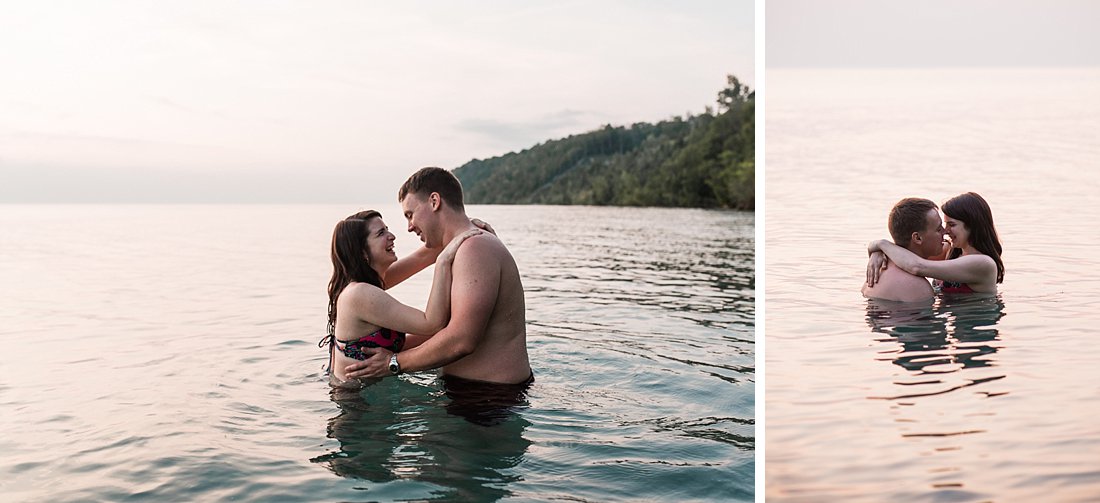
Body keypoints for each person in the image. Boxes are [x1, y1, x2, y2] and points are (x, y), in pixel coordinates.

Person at [344, 167, 533, 385]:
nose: (409, 227)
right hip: (474, 395)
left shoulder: (475, 248)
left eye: (410, 214)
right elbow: (375, 283)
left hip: (488, 401)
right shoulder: (463, 246)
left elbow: (462, 340)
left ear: (434, 201)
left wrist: (393, 362)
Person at [320, 209, 481, 387]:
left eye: (387, 229)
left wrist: (464, 227)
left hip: (368, 397)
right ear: (362, 253)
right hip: (357, 404)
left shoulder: (367, 282)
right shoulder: (360, 293)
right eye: (381, 233)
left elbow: (423, 256)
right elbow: (432, 323)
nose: (392, 236)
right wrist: (443, 263)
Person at [867, 192, 1004, 295]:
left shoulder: (983, 264)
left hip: (976, 330)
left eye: (952, 224)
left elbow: (916, 266)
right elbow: (908, 251)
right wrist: (877, 251)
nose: (945, 230)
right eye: (943, 225)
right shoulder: (950, 251)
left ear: (972, 226)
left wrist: (882, 244)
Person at [862, 197, 945, 302]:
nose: (945, 231)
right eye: (938, 229)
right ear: (917, 238)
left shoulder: (878, 271)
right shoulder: (917, 287)